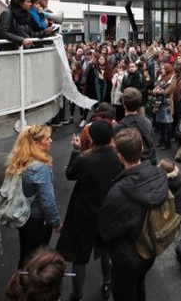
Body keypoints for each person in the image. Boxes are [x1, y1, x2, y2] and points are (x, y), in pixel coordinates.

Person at [98, 128, 169, 301]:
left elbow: (105, 230)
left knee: (123, 291)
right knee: (139, 283)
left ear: (120, 156)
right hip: (151, 246)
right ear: (142, 149)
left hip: (127, 255)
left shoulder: (118, 192)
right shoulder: (159, 174)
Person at [56, 121, 121, 301]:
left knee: (79, 258)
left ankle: (76, 295)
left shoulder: (86, 159)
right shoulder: (117, 156)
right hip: (107, 209)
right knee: (106, 251)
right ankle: (108, 284)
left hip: (83, 211)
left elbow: (70, 174)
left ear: (92, 138)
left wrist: (76, 150)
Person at [5, 124, 61, 268]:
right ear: (37, 143)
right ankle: (31, 286)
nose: (51, 141)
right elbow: (47, 201)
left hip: (22, 217)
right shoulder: (40, 168)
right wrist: (56, 222)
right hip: (37, 221)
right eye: (47, 138)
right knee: (37, 260)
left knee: (26, 254)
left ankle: (21, 283)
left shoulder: (20, 160)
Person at [113, 87, 156, 165]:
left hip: (129, 165)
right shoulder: (148, 122)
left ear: (123, 103)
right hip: (147, 163)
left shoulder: (118, 127)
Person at [153, 63, 177, 150]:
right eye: (161, 68)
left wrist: (157, 91)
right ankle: (161, 140)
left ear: (168, 69)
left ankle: (168, 142)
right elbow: (155, 87)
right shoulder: (160, 77)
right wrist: (156, 90)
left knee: (168, 123)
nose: (161, 70)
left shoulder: (172, 78)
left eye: (163, 68)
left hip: (167, 104)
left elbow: (167, 91)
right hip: (159, 103)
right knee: (161, 122)